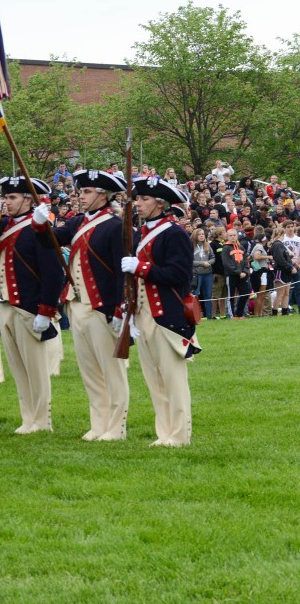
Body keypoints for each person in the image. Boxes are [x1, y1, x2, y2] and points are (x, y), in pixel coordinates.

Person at [0, 176, 65, 434]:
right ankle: (28, 417)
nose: (7, 202)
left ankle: (41, 420)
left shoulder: (38, 229)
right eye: (5, 197)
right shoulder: (2, 225)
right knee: (17, 367)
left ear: (29, 200)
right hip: (4, 303)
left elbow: (53, 272)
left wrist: (46, 309)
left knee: (35, 369)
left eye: (13, 197)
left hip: (28, 306)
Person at [48, 170, 129, 441]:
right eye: (80, 192)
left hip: (102, 305)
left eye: (87, 192)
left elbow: (122, 272)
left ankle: (117, 426)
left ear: (103, 195)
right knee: (90, 371)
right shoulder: (78, 222)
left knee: (111, 370)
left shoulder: (116, 225)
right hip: (77, 303)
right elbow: (49, 240)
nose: (80, 197)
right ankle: (99, 423)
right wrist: (38, 222)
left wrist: (120, 308)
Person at [120, 176, 200, 446]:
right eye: (137, 199)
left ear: (160, 203)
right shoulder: (141, 233)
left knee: (173, 381)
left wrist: (140, 268)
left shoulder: (174, 233)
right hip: (143, 315)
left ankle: (179, 435)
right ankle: (164, 433)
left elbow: (180, 275)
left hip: (167, 316)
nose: (138, 204)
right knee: (154, 380)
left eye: (144, 199)